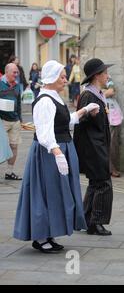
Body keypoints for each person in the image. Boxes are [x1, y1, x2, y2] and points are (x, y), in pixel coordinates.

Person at [13, 60, 100, 253]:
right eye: (61, 77)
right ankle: (41, 236)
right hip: (49, 153)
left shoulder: (53, 97)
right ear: (51, 78)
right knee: (46, 192)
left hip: (60, 148)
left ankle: (49, 234)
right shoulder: (44, 101)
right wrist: (57, 152)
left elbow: (66, 119)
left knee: (57, 193)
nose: (65, 80)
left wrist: (85, 109)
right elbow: (44, 132)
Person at [73, 58, 114, 236]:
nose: (108, 76)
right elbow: (80, 123)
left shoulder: (96, 94)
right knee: (103, 183)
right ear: (97, 75)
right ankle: (96, 222)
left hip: (97, 145)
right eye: (105, 73)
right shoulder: (89, 96)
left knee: (96, 183)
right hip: (93, 147)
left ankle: (85, 219)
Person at [0, 63, 22, 180]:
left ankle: (9, 172)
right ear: (7, 72)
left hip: (14, 120)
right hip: (2, 120)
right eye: (14, 72)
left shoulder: (17, 86)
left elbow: (18, 103)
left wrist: (20, 119)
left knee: (14, 146)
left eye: (17, 72)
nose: (16, 74)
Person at [104, 75, 123, 178]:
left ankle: (113, 168)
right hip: (100, 115)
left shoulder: (109, 79)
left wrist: (100, 93)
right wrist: (103, 93)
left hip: (112, 115)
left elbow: (111, 91)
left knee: (112, 143)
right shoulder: (90, 84)